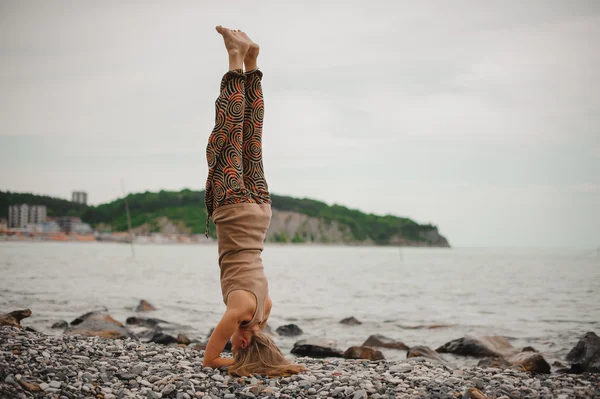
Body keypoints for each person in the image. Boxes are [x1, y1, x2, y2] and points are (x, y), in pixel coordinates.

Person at [202, 26, 306, 377]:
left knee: (251, 138)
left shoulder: (264, 309)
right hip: (233, 210)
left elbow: (248, 325)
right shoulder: (239, 311)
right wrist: (237, 361)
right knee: (226, 133)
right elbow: (211, 359)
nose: (231, 342)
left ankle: (252, 61)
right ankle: (235, 55)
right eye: (237, 344)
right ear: (244, 342)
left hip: (260, 211)